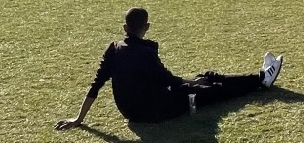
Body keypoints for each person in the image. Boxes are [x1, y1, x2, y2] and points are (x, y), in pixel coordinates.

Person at [54, 8, 283, 128]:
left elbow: (96, 85)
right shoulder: (145, 52)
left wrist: (78, 119)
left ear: (124, 27)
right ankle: (261, 80)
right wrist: (193, 85)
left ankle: (258, 78)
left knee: (205, 78)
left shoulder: (113, 49)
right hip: (158, 110)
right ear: (148, 27)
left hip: (133, 111)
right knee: (213, 86)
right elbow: (170, 82)